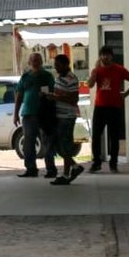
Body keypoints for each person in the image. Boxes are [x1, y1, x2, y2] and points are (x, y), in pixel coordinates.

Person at [87, 45, 129, 173]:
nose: (105, 57)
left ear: (112, 56)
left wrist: (125, 94)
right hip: (100, 107)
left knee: (114, 136)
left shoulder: (119, 69)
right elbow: (90, 84)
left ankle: (113, 163)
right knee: (96, 136)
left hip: (114, 107)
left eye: (107, 54)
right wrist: (94, 71)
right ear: (100, 56)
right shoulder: (97, 70)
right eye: (103, 54)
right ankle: (96, 162)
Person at [12, 53, 56, 178]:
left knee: (46, 141)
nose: (36, 62)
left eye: (38, 60)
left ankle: (51, 169)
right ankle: (31, 169)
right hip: (28, 114)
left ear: (42, 62)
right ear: (29, 62)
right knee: (28, 142)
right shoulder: (25, 77)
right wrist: (15, 114)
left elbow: (51, 92)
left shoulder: (47, 76)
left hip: (44, 113)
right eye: (33, 60)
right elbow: (19, 96)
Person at [47, 54, 85, 185]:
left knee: (64, 146)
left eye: (58, 65)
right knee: (59, 146)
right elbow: (58, 94)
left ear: (65, 65)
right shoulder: (58, 78)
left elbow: (74, 99)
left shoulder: (71, 79)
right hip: (58, 115)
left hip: (67, 116)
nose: (56, 68)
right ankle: (73, 168)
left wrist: (56, 98)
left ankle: (67, 173)